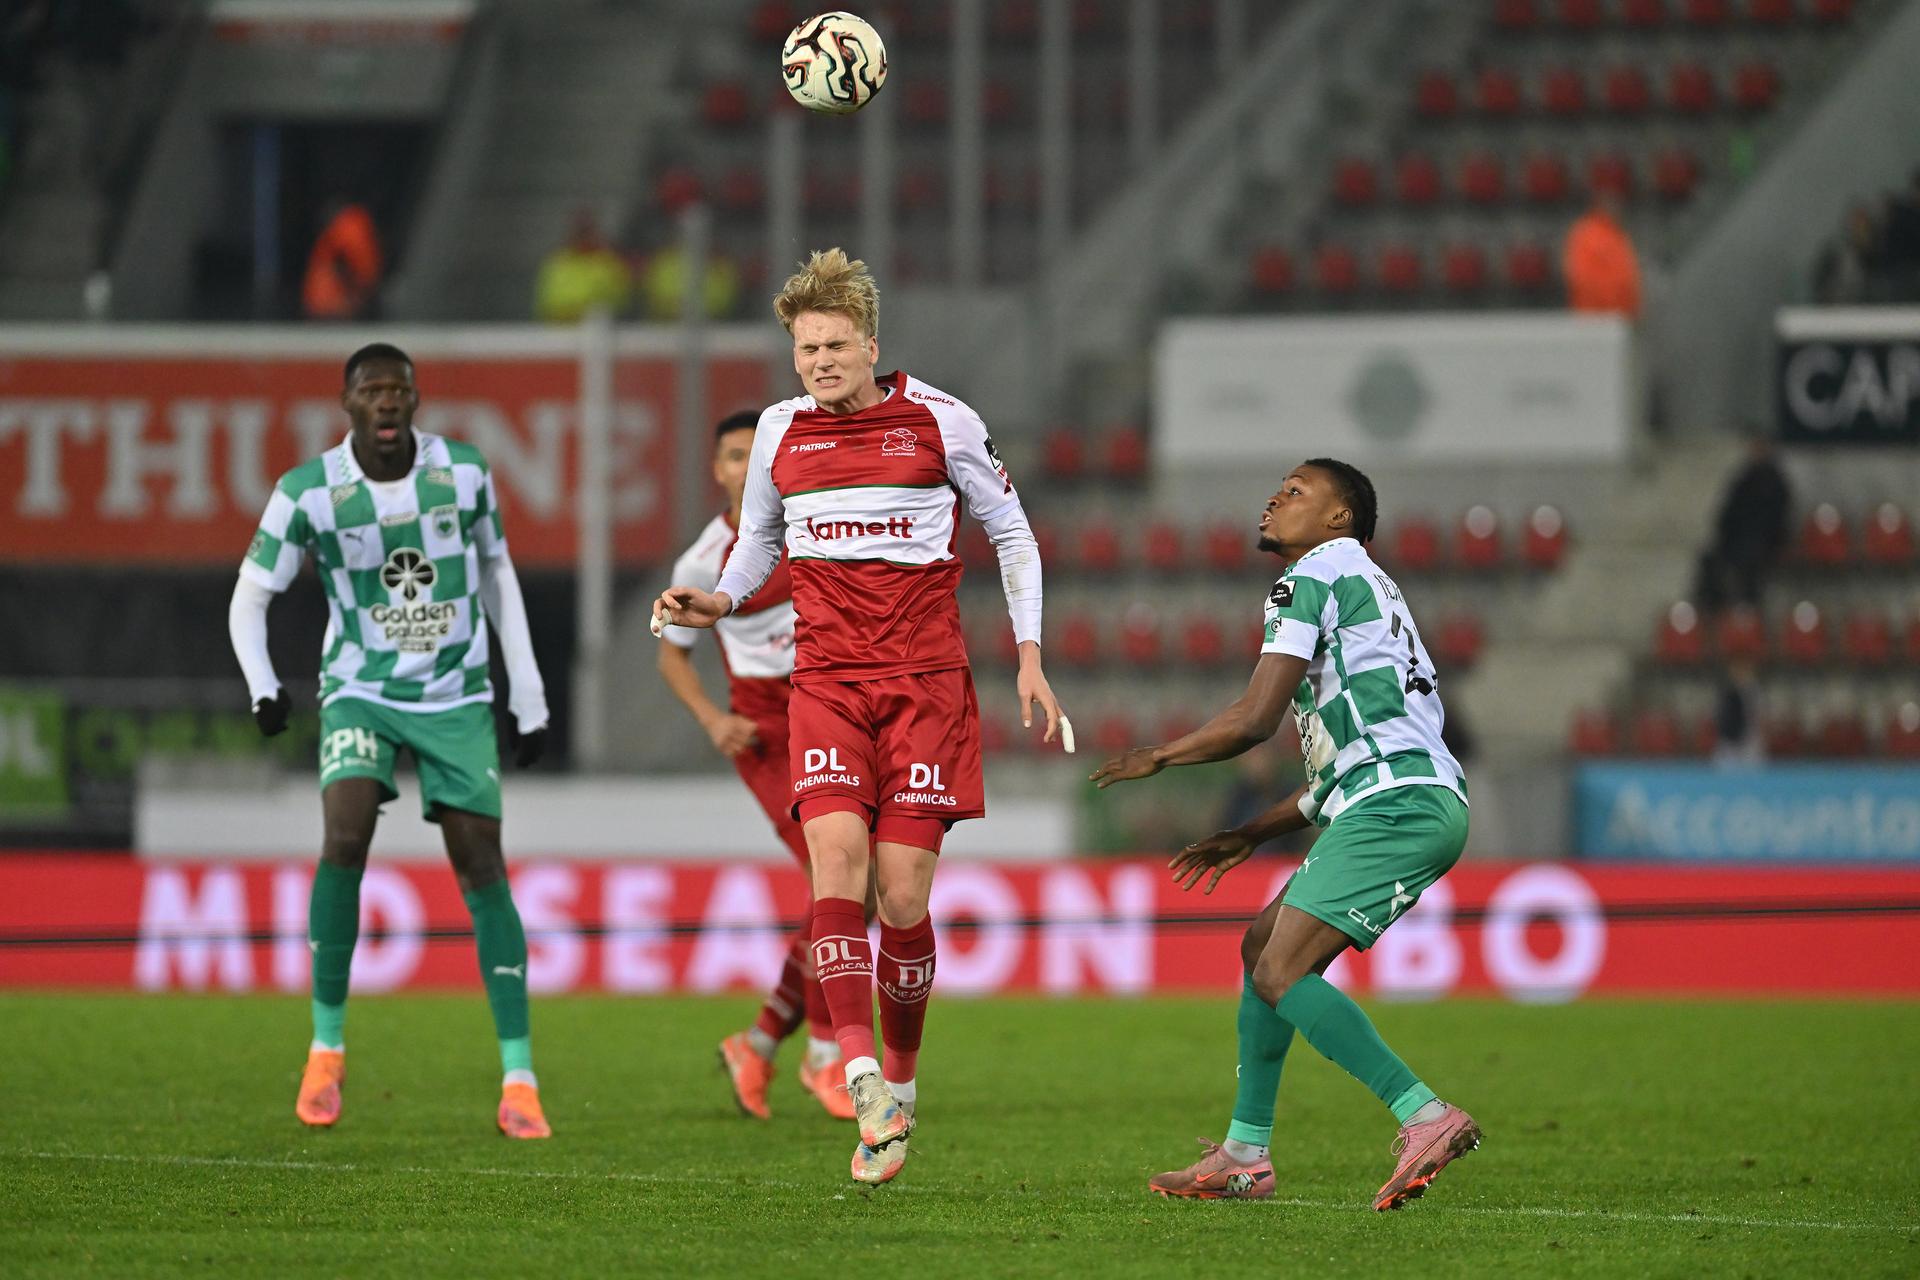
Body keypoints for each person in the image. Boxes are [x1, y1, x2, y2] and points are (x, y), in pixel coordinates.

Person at [652, 248, 1065, 1185]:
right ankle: (861, 1072)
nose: (820, 362)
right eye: (805, 348)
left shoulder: (941, 421)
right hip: (827, 684)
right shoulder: (779, 433)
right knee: (834, 868)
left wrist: (1031, 656)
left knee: (904, 901)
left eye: (836, 345)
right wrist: (716, 601)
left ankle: (904, 1083)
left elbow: (1011, 531)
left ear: (871, 343)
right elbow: (758, 544)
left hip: (927, 688)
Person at [1091, 459, 1477, 1212]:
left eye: (1297, 492)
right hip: (1404, 793)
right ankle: (1245, 1154)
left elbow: (1254, 718)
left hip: (1396, 804)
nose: (1275, 498)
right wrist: (1251, 832)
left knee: (1280, 970)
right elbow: (1345, 762)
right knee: (1261, 948)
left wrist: (1163, 754)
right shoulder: (1367, 586)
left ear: (1339, 519)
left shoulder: (1311, 577)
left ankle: (1424, 1114)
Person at [228, 343, 554, 1140]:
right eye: (369, 391)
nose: (384, 402)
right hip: (360, 693)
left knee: (481, 863)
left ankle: (519, 1076)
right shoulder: (307, 493)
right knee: (344, 834)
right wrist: (264, 686)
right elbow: (250, 596)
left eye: (397, 390)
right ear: (346, 405)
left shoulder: (466, 473)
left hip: (455, 697)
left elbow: (498, 576)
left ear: (415, 402)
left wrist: (530, 693)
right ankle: (326, 1048)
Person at [657, 408, 862, 1123]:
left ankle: (761, 1041)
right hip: (768, 737)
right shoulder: (704, 558)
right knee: (839, 884)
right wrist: (713, 719)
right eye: (734, 456)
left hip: (834, 716)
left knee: (848, 892)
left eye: (758, 454)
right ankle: (824, 1054)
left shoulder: (809, 530)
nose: (747, 466)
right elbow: (668, 650)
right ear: (718, 469)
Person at [1694, 439, 1792, 611]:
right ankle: (1711, 605)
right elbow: (1729, 510)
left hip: (1762, 539)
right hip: (1737, 537)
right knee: (1709, 559)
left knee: (1750, 560)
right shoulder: (1744, 476)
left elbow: (1777, 517)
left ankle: (1749, 607)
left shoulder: (1775, 480)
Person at [534, 208, 632, 324]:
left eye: (587, 231)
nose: (584, 237)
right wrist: (571, 311)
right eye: (580, 231)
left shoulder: (610, 264)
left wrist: (587, 310)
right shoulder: (557, 263)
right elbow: (546, 303)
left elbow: (621, 301)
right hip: (560, 332)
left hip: (600, 331)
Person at [1563, 186, 1640, 317]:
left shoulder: (1617, 234)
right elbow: (1580, 275)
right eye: (1611, 202)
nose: (1616, 207)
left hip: (1620, 314)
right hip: (1592, 315)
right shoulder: (1586, 233)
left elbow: (1628, 274)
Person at [302, 199, 383, 321]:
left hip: (334, 305)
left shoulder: (348, 227)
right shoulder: (352, 226)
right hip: (334, 304)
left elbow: (345, 260)